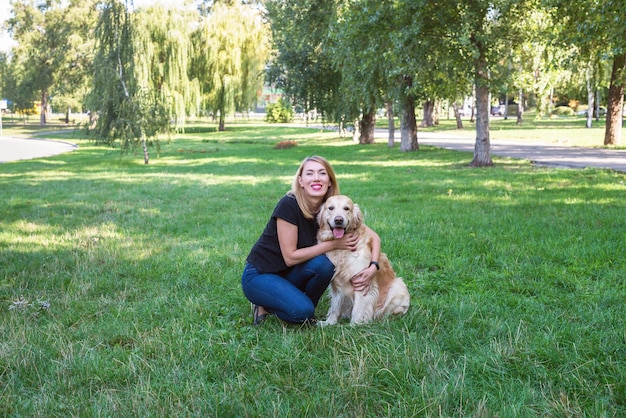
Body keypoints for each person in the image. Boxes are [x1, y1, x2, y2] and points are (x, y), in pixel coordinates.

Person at [241, 155, 381, 325]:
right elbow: (290, 257)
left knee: (324, 265)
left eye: (322, 173)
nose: (316, 178)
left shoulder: (330, 207)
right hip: (261, 274)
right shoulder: (289, 205)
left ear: (329, 180)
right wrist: (334, 244)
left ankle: (290, 300)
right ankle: (264, 303)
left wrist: (374, 266)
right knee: (302, 313)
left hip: (290, 273)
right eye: (309, 173)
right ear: (300, 180)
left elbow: (374, 236)